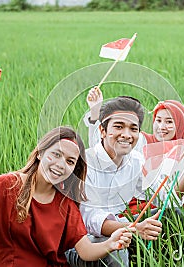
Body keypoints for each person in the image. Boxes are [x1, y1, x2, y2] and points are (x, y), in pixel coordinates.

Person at [0, 126, 134, 267]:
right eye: (56, 154)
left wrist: (110, 244)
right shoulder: (5, 186)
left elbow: (85, 250)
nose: (60, 165)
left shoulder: (65, 203)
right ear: (40, 153)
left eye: (70, 161)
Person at [84, 87, 184, 213]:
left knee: (178, 214)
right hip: (126, 208)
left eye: (169, 122)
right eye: (158, 120)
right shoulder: (141, 141)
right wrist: (95, 113)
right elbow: (102, 146)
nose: (162, 127)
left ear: (180, 124)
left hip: (154, 206)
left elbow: (170, 198)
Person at [66, 97, 163, 267]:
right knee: (116, 248)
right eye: (119, 127)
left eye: (133, 129)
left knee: (171, 215)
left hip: (119, 227)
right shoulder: (85, 163)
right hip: (79, 242)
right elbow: (90, 220)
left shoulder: (136, 161)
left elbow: (162, 195)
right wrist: (134, 228)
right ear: (102, 131)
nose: (126, 134)